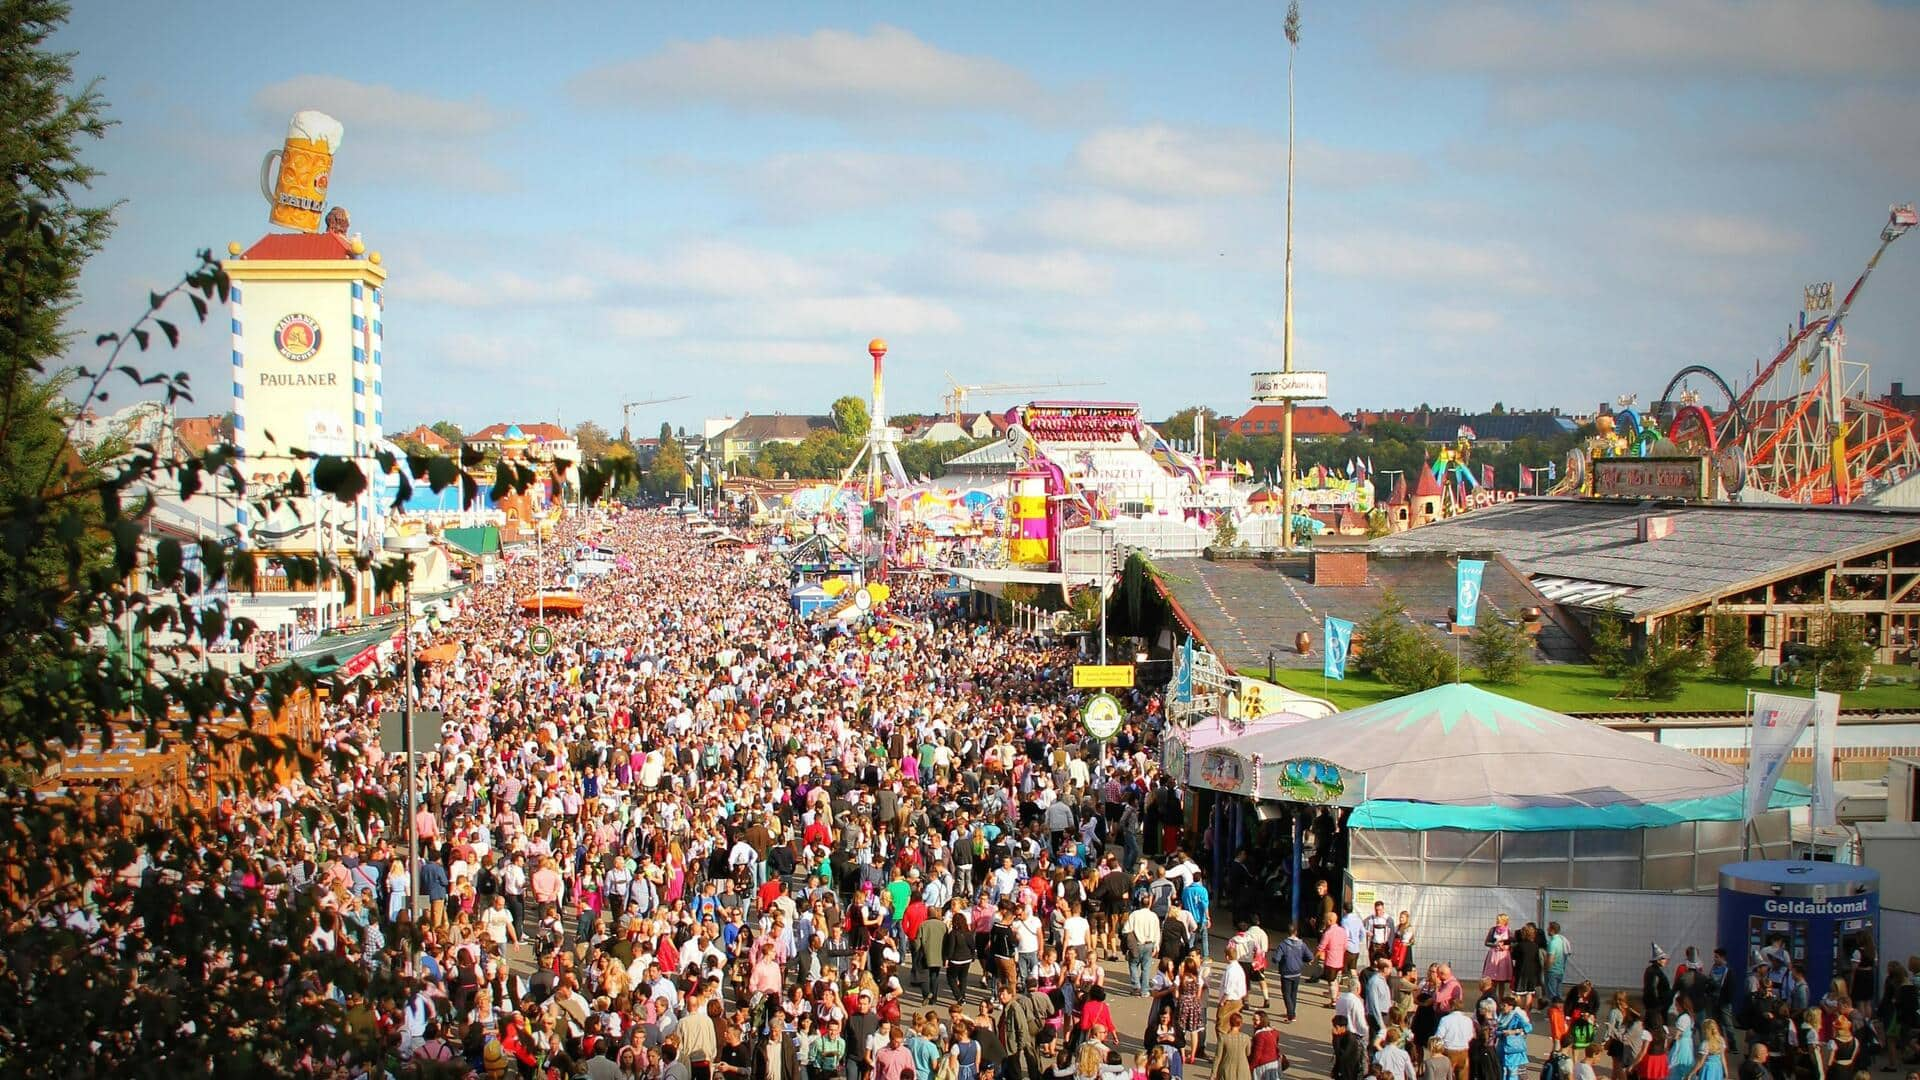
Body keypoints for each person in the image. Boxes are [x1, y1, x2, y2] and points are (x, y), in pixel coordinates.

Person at [1273, 923, 1312, 1023]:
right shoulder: (1301, 944)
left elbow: (1276, 958)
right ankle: (1292, 1011)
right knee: (1293, 994)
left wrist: (1277, 959)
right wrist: (1302, 959)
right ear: (1296, 932)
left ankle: (1291, 1015)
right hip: (1297, 972)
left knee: (1286, 994)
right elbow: (1310, 957)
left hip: (1286, 972)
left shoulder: (1283, 945)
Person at [1497, 996, 1533, 1080]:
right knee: (1503, 1071)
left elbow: (1528, 1028)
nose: (1502, 1007)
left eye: (1504, 1005)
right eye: (1501, 1005)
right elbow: (1496, 1031)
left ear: (1511, 1006)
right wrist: (1501, 1033)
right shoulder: (1501, 1016)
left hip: (1513, 1049)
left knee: (1512, 1072)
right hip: (1501, 1048)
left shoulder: (1516, 1017)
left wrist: (1513, 1032)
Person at [1214, 1008, 1254, 1080]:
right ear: (1241, 1024)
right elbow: (1248, 1053)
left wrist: (1213, 1073)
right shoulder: (1246, 1037)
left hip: (1227, 1068)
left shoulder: (1223, 1038)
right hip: (1243, 1068)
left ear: (1230, 1023)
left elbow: (1218, 1057)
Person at [1483, 915, 1515, 1000]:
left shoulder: (1509, 931)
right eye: (1497, 920)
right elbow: (1486, 942)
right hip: (1494, 955)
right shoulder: (1493, 930)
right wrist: (1495, 944)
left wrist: (1506, 946)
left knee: (1502, 980)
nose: (1497, 921)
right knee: (1493, 980)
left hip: (1503, 956)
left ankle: (1501, 999)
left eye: (1499, 920)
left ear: (1504, 921)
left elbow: (1514, 943)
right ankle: (1493, 998)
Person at [1546, 923, 1574, 1007]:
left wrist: (1547, 968)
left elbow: (1551, 957)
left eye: (1548, 928)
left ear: (1552, 930)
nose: (1547, 929)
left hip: (1552, 970)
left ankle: (1554, 1012)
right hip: (1560, 970)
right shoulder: (1561, 940)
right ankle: (1560, 1011)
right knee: (1558, 992)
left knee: (1552, 994)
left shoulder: (1552, 942)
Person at [1332, 1015, 1368, 1080]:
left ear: (1343, 1027)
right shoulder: (1340, 1035)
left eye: (1336, 1027)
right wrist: (1335, 1069)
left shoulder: (1350, 1039)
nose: (1334, 1029)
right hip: (1342, 1069)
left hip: (1349, 1071)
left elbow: (1341, 1055)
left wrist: (1335, 1038)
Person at [1645, 947, 1674, 1021]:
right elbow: (1653, 988)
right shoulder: (1654, 972)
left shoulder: (1653, 970)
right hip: (1658, 1005)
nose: (1666, 960)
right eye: (1663, 959)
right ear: (1658, 960)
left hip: (1659, 1004)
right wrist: (1658, 1004)